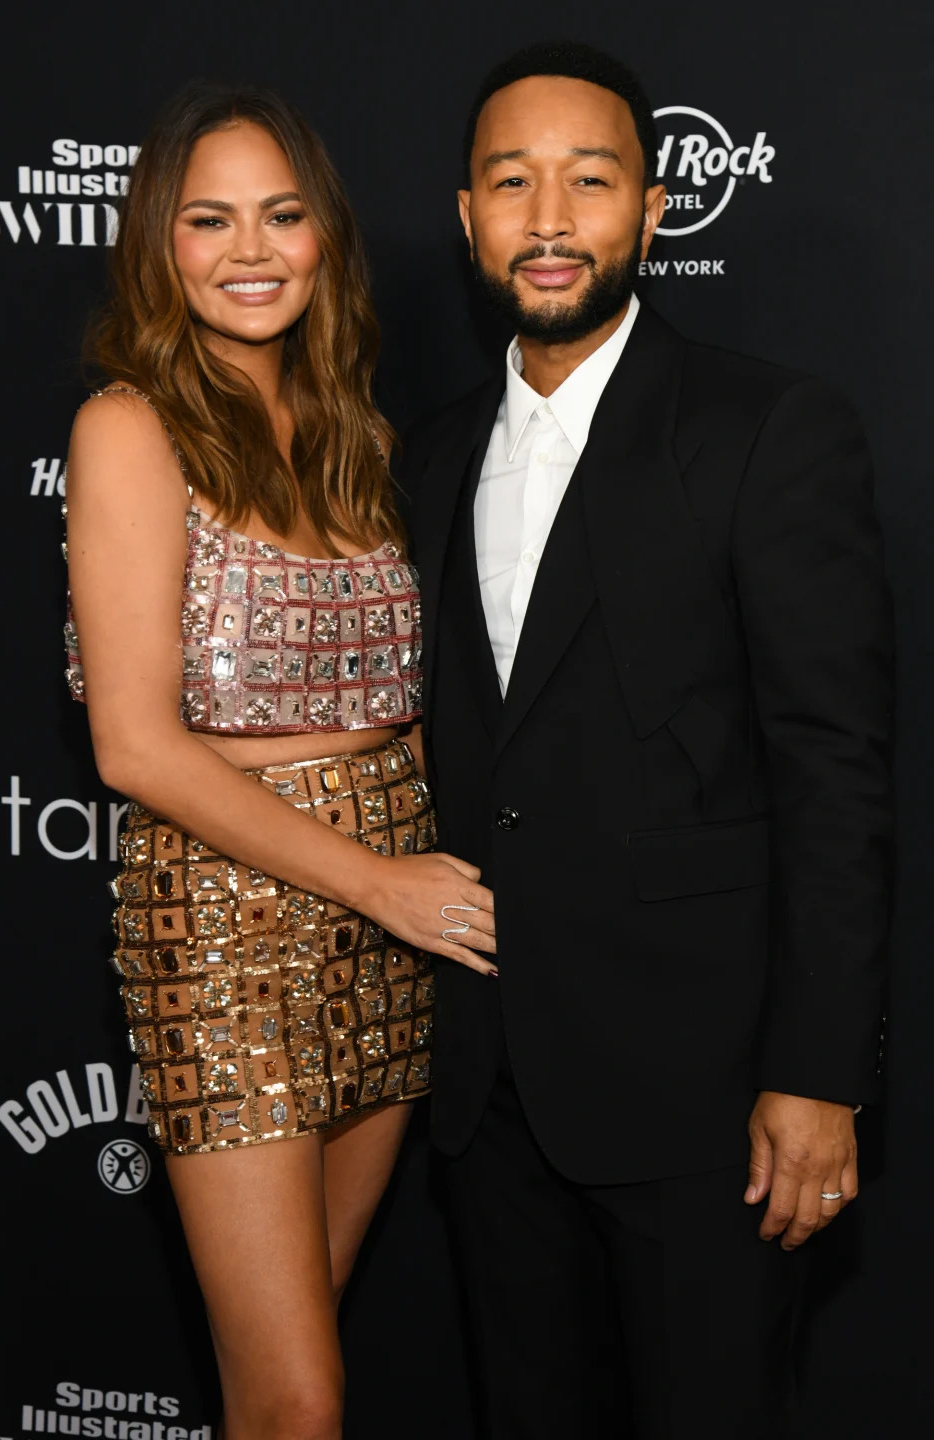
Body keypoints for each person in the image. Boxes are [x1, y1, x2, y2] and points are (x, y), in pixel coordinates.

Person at [397, 40, 893, 1438]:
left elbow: (834, 766)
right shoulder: (425, 455)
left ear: (655, 210)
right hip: (488, 1089)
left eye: (590, 180)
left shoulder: (766, 429)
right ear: (467, 215)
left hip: (708, 1099)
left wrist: (816, 1073)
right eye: (513, 183)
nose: (549, 218)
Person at [64, 84, 495, 1440]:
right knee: (301, 1400)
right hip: (225, 917)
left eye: (281, 215)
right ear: (160, 244)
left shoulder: (363, 437)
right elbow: (135, 747)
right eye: (209, 220)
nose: (249, 252)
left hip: (394, 916)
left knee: (294, 1361)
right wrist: (377, 885)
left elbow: (415, 702)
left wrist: (412, 885)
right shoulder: (129, 429)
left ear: (325, 238)